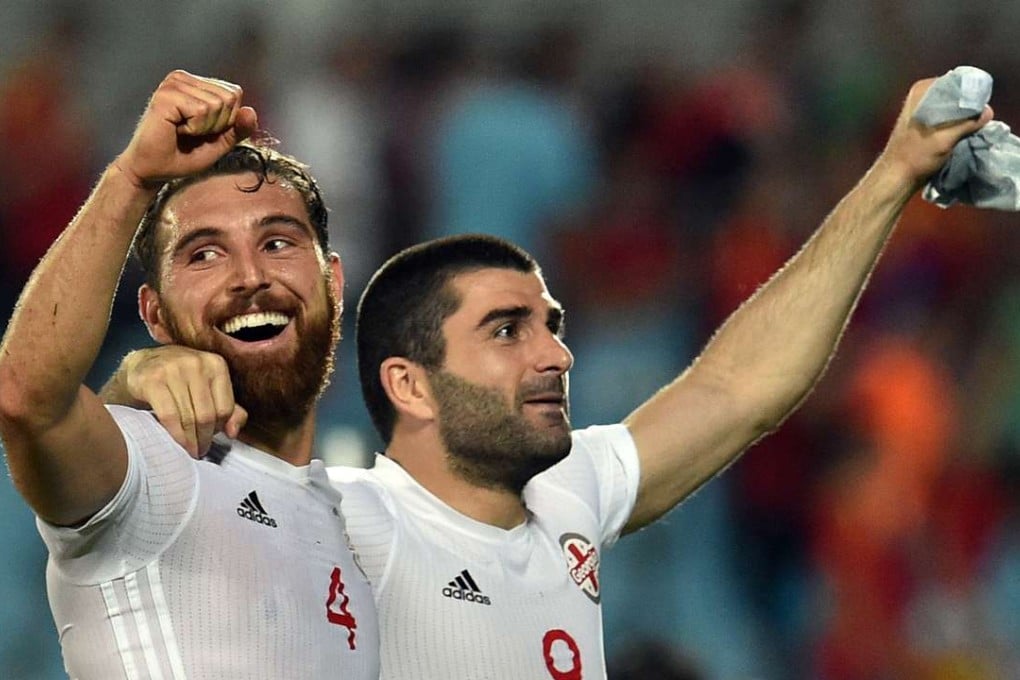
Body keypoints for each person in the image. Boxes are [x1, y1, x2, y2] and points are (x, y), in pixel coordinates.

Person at [107, 74, 994, 678]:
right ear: (410, 385)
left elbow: (737, 388)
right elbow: (73, 447)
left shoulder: (571, 493)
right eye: (506, 331)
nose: (555, 354)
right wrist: (135, 385)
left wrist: (895, 174)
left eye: (550, 327)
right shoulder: (338, 522)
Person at [0, 70, 379, 678]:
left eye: (278, 243)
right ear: (153, 313)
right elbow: (28, 401)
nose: (249, 275)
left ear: (333, 284)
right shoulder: (146, 468)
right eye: (204, 253)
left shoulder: (361, 524)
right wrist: (131, 179)